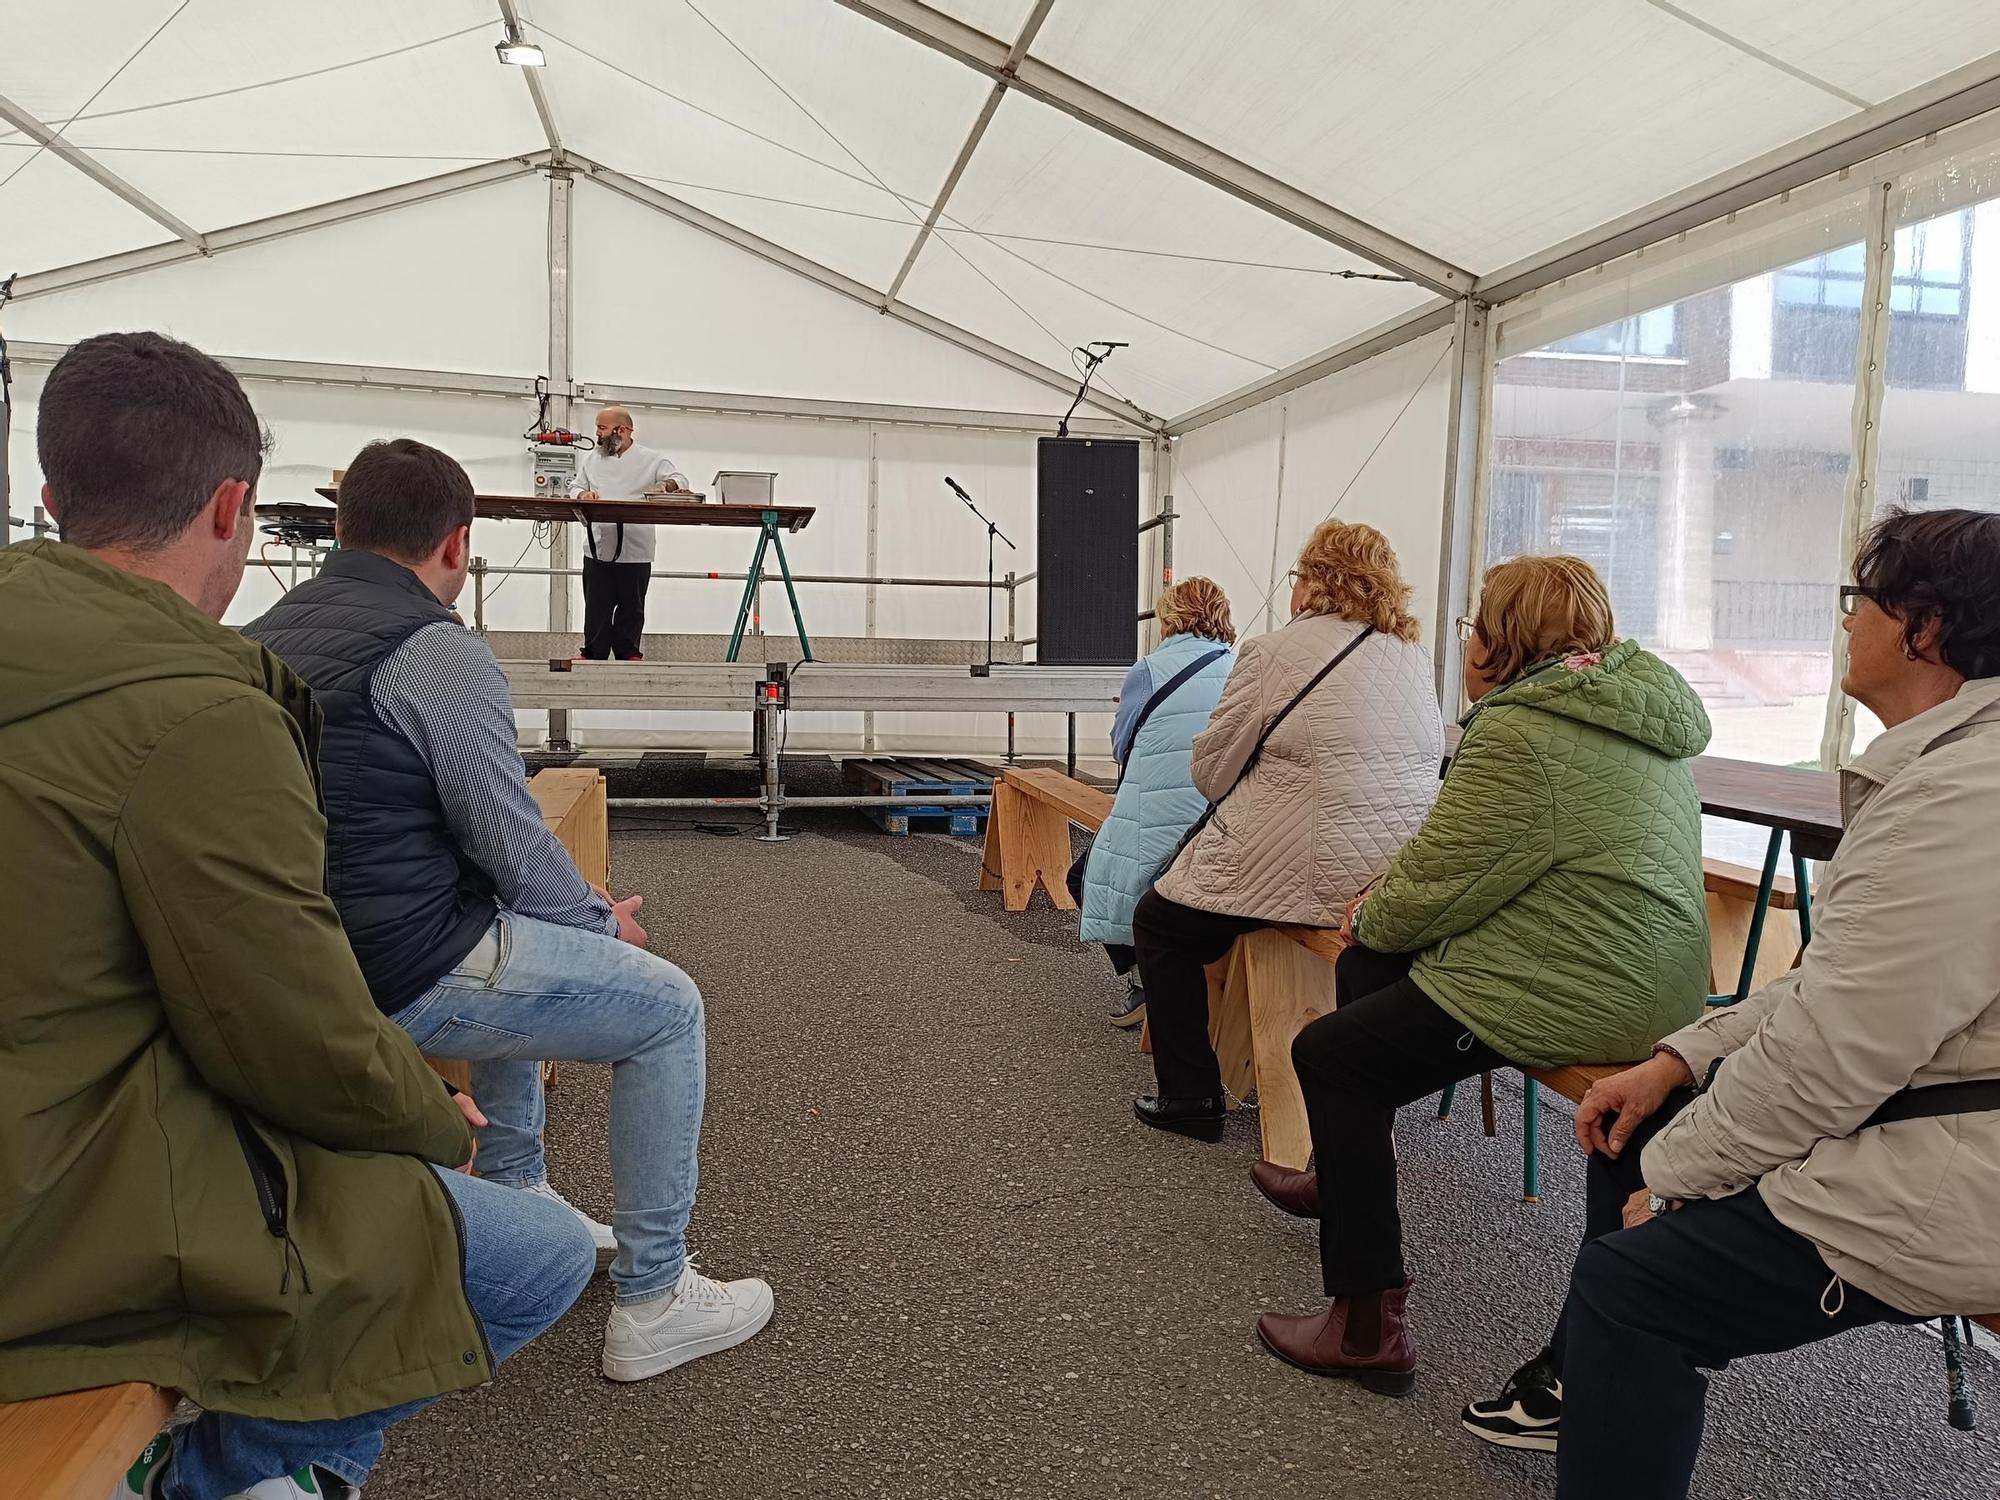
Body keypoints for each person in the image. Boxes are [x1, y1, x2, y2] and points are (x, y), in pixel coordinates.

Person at [0, 331, 594, 1500]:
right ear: (233, 505)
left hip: (56, 1096)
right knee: (545, 1245)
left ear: (52, 497)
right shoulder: (203, 709)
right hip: (55, 1203)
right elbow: (280, 1025)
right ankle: (239, 1471)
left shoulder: (243, 647)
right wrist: (423, 1112)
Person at [1462, 509, 2000, 1500]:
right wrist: (1677, 1058)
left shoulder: (1956, 797)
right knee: (1633, 1117)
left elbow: (1838, 1046)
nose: (1844, 625)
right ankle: (1581, 1378)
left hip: (1958, 1163)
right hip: (1917, 1091)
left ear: (1922, 628)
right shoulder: (1947, 772)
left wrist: (1674, 1179)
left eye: (1859, 603)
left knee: (1631, 1282)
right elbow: (1843, 988)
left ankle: (1522, 1354)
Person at [244, 438, 773, 1385]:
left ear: (342, 526)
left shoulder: (268, 630)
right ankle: (656, 1298)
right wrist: (608, 922)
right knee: (668, 1008)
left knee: (522, 944)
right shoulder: (434, 652)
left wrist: (570, 914)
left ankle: (524, 1203)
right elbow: (511, 840)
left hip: (300, 963)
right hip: (402, 963)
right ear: (457, 544)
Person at [1253, 554, 1711, 1396]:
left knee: (1331, 1054)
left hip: (1575, 984)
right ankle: (1341, 1176)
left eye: (1476, 628)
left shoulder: (1521, 730)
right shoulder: (1637, 713)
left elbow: (1437, 881)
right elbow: (1481, 869)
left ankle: (1365, 1324)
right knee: (1369, 967)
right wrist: (1384, 919)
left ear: (1498, 643)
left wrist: (1370, 905)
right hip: (1655, 980)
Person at [1130, 520, 1443, 1139]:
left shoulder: (1272, 652)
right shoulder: (1412, 657)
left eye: (1299, 576)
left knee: (1160, 923)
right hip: (1391, 878)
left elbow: (1212, 774)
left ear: (1316, 582)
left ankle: (1191, 1097)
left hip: (1303, 869)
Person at [1078, 577, 1238, 1029]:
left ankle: (1147, 982)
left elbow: (1120, 746)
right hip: (1215, 816)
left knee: (1083, 877)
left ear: (1170, 618)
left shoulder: (1149, 669)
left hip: (1154, 814)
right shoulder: (1241, 666)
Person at [573, 404, 686, 660]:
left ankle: (628, 651)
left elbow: (680, 479)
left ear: (621, 430)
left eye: (602, 428)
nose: (598, 434)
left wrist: (665, 485)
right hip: (598, 545)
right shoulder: (592, 460)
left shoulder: (652, 459)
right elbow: (575, 486)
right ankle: (594, 651)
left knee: (632, 606)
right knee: (596, 606)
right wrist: (583, 494)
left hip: (636, 547)